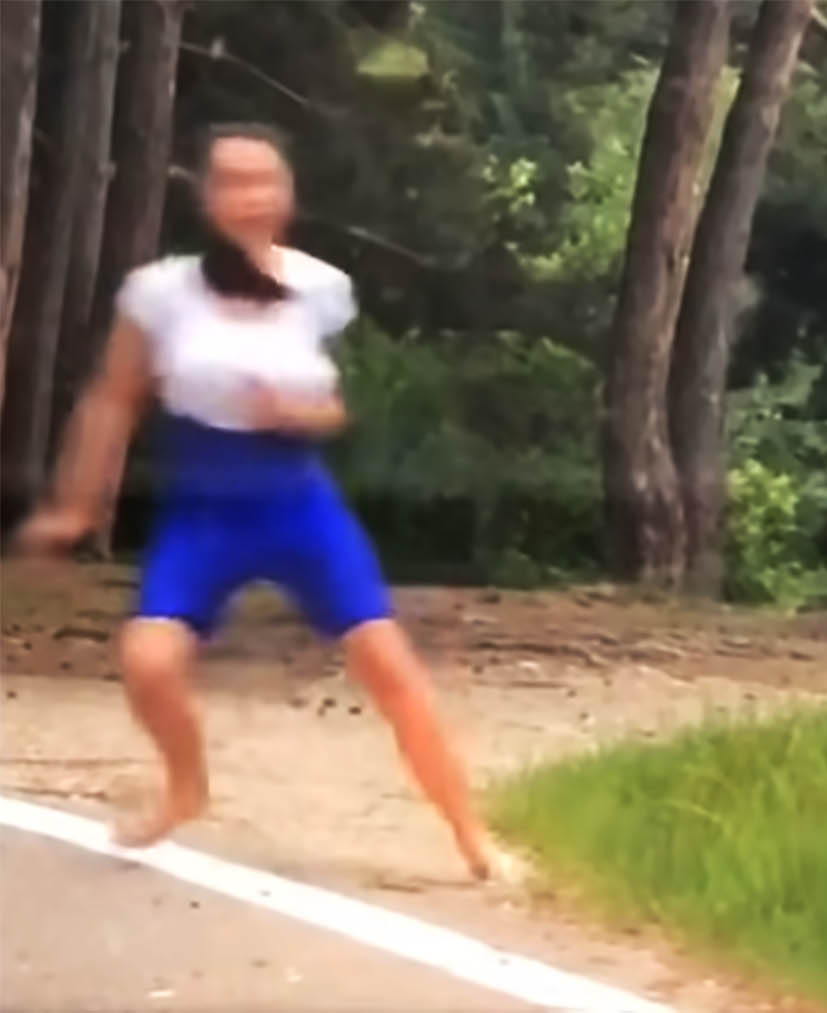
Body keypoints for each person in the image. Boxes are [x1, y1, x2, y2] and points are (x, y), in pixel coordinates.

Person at [12, 122, 501, 881]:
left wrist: (295, 414)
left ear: (286, 194)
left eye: (263, 180)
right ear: (208, 197)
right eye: (232, 181)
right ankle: (186, 785)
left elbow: (334, 408)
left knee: (388, 664)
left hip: (297, 505)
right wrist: (76, 506)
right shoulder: (159, 293)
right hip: (204, 512)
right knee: (148, 659)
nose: (249, 196)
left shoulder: (320, 288)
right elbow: (112, 400)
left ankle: (474, 838)